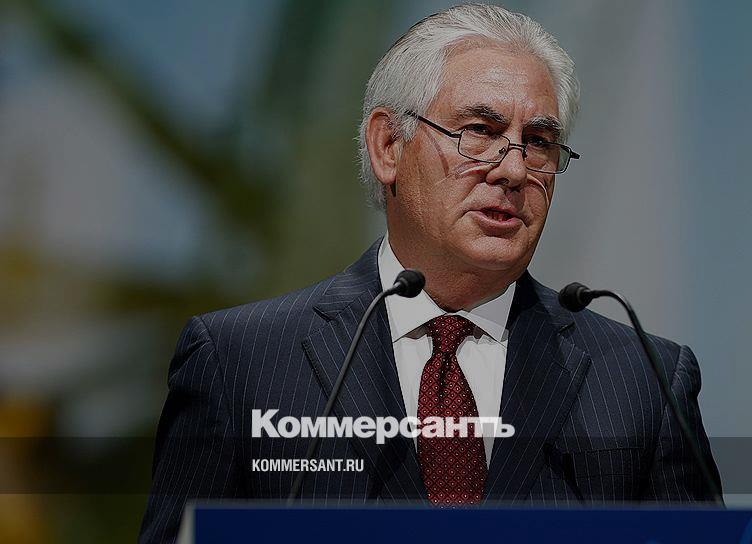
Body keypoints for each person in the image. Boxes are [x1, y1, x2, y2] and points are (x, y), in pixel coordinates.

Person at [140, 4, 721, 542]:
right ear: (388, 146)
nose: (514, 170)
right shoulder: (240, 362)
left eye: (539, 142)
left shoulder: (644, 381)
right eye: (480, 132)